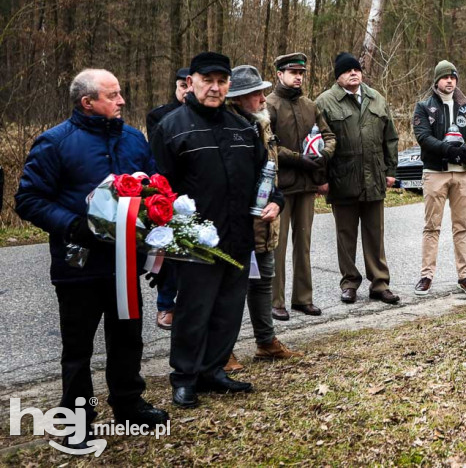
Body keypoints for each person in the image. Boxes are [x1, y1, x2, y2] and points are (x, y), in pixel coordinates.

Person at [15, 69, 168, 448]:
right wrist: (72, 225)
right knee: (78, 348)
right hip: (78, 266)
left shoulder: (133, 139)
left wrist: (154, 240)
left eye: (120, 94)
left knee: (128, 338)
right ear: (88, 102)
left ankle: (129, 403)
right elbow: (29, 200)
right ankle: (76, 419)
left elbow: (152, 192)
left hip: (125, 263)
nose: (122, 101)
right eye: (113, 95)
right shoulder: (55, 143)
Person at [151, 52, 283, 409]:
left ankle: (213, 371)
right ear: (190, 82)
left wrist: (276, 201)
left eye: (221, 81)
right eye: (207, 80)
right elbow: (161, 188)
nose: (214, 87)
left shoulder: (242, 126)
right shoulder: (172, 127)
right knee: (194, 312)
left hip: (239, 237)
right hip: (195, 241)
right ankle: (185, 377)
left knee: (228, 309)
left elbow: (264, 177)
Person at [225, 65, 303, 369]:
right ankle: (224, 350)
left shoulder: (262, 122)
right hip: (237, 222)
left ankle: (266, 342)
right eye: (256, 92)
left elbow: (271, 172)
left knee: (263, 281)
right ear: (240, 97)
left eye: (261, 90)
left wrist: (277, 201)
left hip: (266, 219)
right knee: (233, 286)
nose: (262, 97)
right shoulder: (229, 126)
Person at [316, 52, 400, 305]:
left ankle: (380, 283)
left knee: (375, 233)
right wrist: (321, 177)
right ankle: (349, 282)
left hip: (374, 176)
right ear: (337, 76)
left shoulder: (377, 99)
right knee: (346, 235)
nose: (353, 73)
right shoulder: (324, 102)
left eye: (356, 69)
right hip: (342, 178)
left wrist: (390, 171)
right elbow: (316, 143)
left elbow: (391, 138)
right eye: (347, 70)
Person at [266, 52, 336, 320]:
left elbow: (328, 135)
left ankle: (303, 298)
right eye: (293, 72)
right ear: (279, 74)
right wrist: (299, 159)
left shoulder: (310, 105)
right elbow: (269, 144)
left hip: (307, 185)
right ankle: (276, 301)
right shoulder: (270, 105)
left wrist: (324, 154)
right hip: (280, 187)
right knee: (278, 245)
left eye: (301, 73)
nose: (298, 77)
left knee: (303, 244)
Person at [413, 60, 466, 297]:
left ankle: (465, 276)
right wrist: (447, 150)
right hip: (435, 173)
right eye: (445, 77)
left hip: (462, 174)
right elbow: (423, 137)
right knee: (432, 226)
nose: (450, 81)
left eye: (453, 77)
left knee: (461, 226)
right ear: (437, 81)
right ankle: (426, 276)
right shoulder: (424, 107)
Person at [147, 67, 190, 331]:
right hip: (167, 191)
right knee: (166, 253)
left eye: (189, 86)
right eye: (181, 87)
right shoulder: (160, 116)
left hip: (196, 191)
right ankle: (165, 305)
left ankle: (188, 306)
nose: (186, 91)